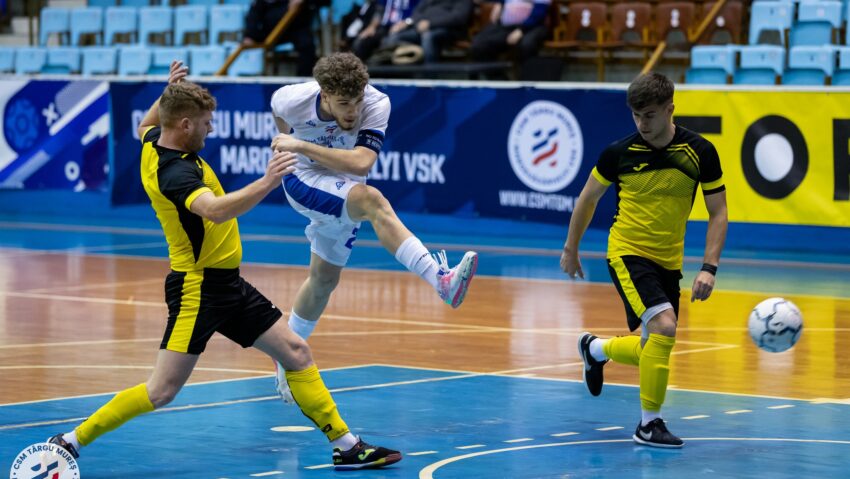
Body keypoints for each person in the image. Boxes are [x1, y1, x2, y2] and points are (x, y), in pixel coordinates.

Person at [47, 60, 402, 471]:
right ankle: (72, 440)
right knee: (162, 390)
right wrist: (268, 182)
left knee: (295, 351)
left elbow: (146, 122)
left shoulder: (150, 140)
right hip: (198, 289)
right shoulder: (173, 172)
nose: (210, 129)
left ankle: (347, 445)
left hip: (228, 285)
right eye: (205, 123)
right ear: (183, 125)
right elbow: (215, 211)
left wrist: (169, 89)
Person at [268, 52, 478, 402]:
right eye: (343, 103)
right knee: (373, 201)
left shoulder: (377, 103)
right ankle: (440, 280)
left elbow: (364, 160)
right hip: (302, 178)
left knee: (323, 281)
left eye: (357, 101)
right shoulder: (294, 98)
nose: (353, 111)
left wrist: (299, 143)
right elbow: (278, 113)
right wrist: (288, 146)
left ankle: (286, 354)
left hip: (346, 179)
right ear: (323, 94)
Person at [561, 73, 728, 449]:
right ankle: (648, 424)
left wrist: (709, 267)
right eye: (636, 115)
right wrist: (571, 248)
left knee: (654, 342)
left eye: (650, 115)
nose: (642, 124)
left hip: (669, 260)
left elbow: (718, 212)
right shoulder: (618, 153)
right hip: (627, 252)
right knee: (665, 327)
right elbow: (588, 199)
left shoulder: (699, 152)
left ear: (671, 109)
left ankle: (595, 348)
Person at [242, 0, 323, 77]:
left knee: (307, 45)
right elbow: (254, 13)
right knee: (247, 44)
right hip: (270, 32)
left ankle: (303, 80)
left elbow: (325, 2)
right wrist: (249, 35)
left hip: (297, 28)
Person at [380, 0, 474, 64]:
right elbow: (417, 12)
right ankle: (398, 76)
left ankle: (428, 78)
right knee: (395, 36)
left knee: (428, 37)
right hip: (422, 28)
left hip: (450, 30)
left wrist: (431, 24)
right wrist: (412, 22)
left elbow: (458, 18)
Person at [469, 0, 551, 66]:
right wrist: (499, 3)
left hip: (533, 27)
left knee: (527, 44)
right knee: (479, 43)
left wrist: (521, 30)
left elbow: (539, 13)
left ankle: (526, 81)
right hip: (506, 26)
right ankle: (499, 80)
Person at [351, 0, 419, 63]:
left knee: (391, 40)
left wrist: (406, 23)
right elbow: (379, 12)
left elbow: (419, 11)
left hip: (407, 28)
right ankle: (360, 70)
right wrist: (372, 27)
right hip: (385, 27)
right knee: (364, 39)